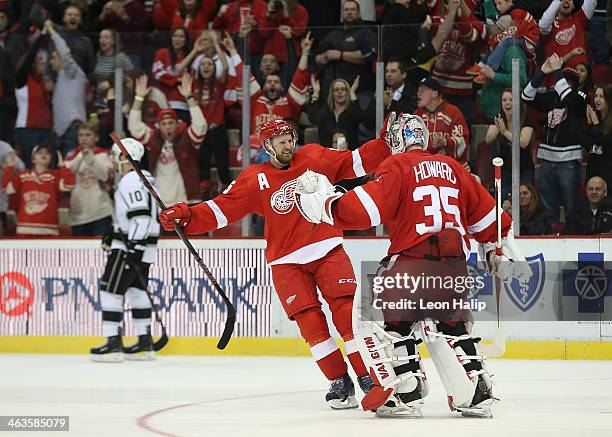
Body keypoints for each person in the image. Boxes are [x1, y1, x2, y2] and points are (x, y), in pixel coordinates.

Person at [292, 113, 531, 418]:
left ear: (396, 140)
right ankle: (476, 390)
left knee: (372, 313)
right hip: (456, 266)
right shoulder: (453, 167)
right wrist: (497, 254)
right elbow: (491, 223)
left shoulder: (397, 165)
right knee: (452, 325)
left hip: (413, 264)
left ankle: (405, 389)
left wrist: (327, 203)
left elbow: (363, 211)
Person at [158, 118, 395, 409]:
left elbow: (355, 161)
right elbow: (221, 209)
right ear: (267, 146)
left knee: (347, 315)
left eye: (290, 137)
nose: (288, 143)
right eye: (280, 139)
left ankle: (368, 376)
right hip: (286, 261)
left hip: (327, 248)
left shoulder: (314, 156)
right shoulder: (254, 178)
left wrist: (384, 144)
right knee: (312, 327)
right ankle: (339, 380)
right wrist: (186, 215)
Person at [91, 138, 160, 362]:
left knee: (110, 290)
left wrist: (133, 245)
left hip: (131, 246)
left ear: (125, 156)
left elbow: (139, 215)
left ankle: (113, 344)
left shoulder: (131, 179)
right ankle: (144, 342)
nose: (113, 160)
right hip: (146, 246)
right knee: (137, 292)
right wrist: (115, 231)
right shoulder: (147, 179)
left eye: (116, 155)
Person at [521, 53, 588, 222]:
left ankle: (574, 239)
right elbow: (526, 96)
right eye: (560, 79)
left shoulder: (579, 100)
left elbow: (567, 96)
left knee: (572, 207)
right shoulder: (552, 99)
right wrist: (542, 73)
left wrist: (557, 70)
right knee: (548, 210)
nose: (560, 83)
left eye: (566, 81)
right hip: (547, 161)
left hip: (568, 162)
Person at [128, 72, 207, 206]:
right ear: (158, 126)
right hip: (161, 202)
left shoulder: (188, 138)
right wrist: (139, 97)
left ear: (177, 124)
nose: (168, 127)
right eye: (164, 124)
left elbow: (200, 125)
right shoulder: (153, 138)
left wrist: (189, 97)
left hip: (188, 200)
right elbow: (134, 126)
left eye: (171, 123)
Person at [1, 144, 75, 236]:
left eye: (47, 153)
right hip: (25, 228)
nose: (43, 155)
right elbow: (6, 188)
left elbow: (69, 184)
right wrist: (10, 168)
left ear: (50, 159)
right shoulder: (23, 175)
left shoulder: (55, 176)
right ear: (33, 159)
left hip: (49, 229)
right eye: (39, 153)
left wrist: (63, 166)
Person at [45, 20, 87, 157]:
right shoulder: (62, 78)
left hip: (72, 131)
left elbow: (64, 52)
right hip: (62, 134)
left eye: (53, 58)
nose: (51, 62)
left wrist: (52, 31)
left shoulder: (72, 71)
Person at [64, 122, 114, 236]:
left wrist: (91, 160)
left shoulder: (104, 154)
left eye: (88, 135)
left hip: (101, 213)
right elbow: (66, 180)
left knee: (101, 252)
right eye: (81, 135)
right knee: (80, 253)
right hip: (78, 216)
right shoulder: (71, 156)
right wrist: (80, 157)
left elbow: (106, 177)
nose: (84, 139)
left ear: (96, 137)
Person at [484, 88, 535, 197]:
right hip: (505, 168)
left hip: (524, 167)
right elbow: (488, 139)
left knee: (523, 197)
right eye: (504, 100)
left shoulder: (526, 119)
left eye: (511, 100)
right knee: (504, 198)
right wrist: (498, 127)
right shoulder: (499, 119)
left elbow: (523, 142)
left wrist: (504, 132)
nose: (507, 103)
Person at [306, 76, 375, 149]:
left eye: (343, 89)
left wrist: (353, 97)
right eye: (336, 90)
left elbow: (368, 122)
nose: (340, 92)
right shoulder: (326, 112)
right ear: (332, 94)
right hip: (327, 154)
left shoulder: (352, 112)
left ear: (347, 93)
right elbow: (313, 117)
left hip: (349, 154)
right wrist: (316, 93)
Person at [414, 76, 469, 164]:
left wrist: (446, 143)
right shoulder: (417, 115)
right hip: (426, 166)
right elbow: (412, 145)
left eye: (422, 91)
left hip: (453, 167)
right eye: (418, 91)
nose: (418, 94)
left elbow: (462, 141)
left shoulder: (453, 112)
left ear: (435, 94)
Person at [539, 0, 596, 70]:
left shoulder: (579, 19)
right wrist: (557, 1)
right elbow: (543, 26)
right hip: (556, 76)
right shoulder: (550, 25)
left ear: (574, 6)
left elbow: (591, 2)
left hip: (579, 76)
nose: (566, 1)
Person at [585, 84, 612, 187]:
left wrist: (595, 124)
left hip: (608, 172)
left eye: (601, 96)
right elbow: (587, 145)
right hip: (593, 170)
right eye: (596, 96)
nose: (597, 99)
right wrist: (588, 123)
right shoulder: (595, 118)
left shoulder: (598, 121)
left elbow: (605, 143)